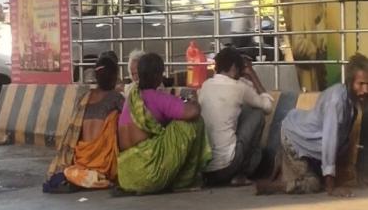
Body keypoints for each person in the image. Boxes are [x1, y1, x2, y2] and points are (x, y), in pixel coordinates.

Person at [255, 53, 368, 197]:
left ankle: (285, 168)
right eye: (361, 84)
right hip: (295, 138)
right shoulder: (337, 101)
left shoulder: (351, 101)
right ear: (350, 81)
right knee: (313, 184)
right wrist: (331, 188)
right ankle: (271, 186)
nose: (365, 90)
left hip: (309, 141)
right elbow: (329, 142)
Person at [117, 53, 212, 194]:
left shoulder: (132, 98)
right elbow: (192, 112)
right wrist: (193, 100)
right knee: (193, 122)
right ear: (158, 75)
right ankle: (184, 181)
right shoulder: (156, 97)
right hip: (149, 173)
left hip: (126, 175)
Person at [46, 56, 124, 190]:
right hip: (103, 162)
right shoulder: (116, 98)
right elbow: (130, 122)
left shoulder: (84, 97)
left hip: (81, 159)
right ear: (114, 77)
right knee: (118, 118)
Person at [199, 46, 273, 186]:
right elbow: (267, 106)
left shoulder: (205, 86)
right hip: (227, 167)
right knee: (257, 114)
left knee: (242, 111)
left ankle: (236, 172)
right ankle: (243, 173)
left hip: (206, 170)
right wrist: (252, 74)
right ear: (234, 67)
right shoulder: (239, 88)